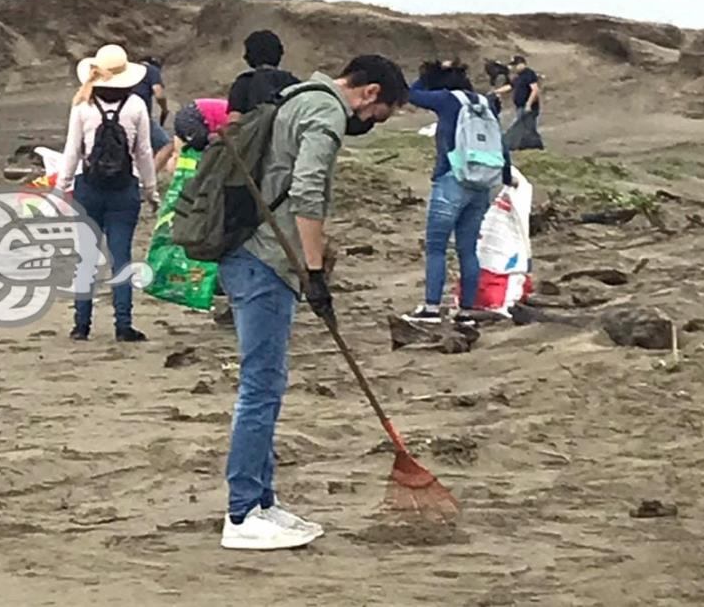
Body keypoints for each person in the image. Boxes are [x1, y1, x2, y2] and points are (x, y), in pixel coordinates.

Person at [218, 55, 408, 551]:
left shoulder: (298, 96)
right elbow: (306, 193)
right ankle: (241, 515)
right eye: (376, 115)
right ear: (367, 93)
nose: (367, 125)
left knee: (270, 382)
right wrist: (315, 270)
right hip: (265, 258)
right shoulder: (324, 113)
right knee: (260, 386)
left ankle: (263, 502)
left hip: (252, 255)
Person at [57, 44, 159, 343]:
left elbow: (72, 151)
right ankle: (123, 325)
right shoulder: (137, 105)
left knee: (86, 258)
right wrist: (150, 191)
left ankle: (81, 325)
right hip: (124, 190)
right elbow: (143, 152)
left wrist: (60, 188)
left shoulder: (83, 105)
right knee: (122, 258)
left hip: (88, 189)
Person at [403, 61, 513, 328]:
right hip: (482, 183)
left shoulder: (447, 100)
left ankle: (431, 307)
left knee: (437, 246)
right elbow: (499, 141)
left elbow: (410, 93)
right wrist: (506, 177)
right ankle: (465, 310)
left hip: (452, 179)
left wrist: (427, 75)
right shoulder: (486, 103)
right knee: (468, 250)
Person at [226, 30, 299, 123]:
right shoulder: (294, 83)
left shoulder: (244, 83)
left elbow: (234, 121)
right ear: (280, 52)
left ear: (249, 57)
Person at [131, 55, 174, 172]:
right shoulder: (151, 70)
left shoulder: (129, 70)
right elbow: (159, 94)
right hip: (140, 116)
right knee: (167, 145)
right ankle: (150, 176)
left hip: (121, 115)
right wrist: (164, 109)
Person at [495, 55, 543, 149]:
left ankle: (535, 146)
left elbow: (535, 90)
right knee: (524, 127)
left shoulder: (529, 74)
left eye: (515, 65)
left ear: (521, 64)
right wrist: (496, 91)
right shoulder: (519, 77)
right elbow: (510, 86)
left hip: (529, 107)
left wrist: (529, 104)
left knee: (529, 127)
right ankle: (526, 145)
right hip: (520, 106)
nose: (514, 68)